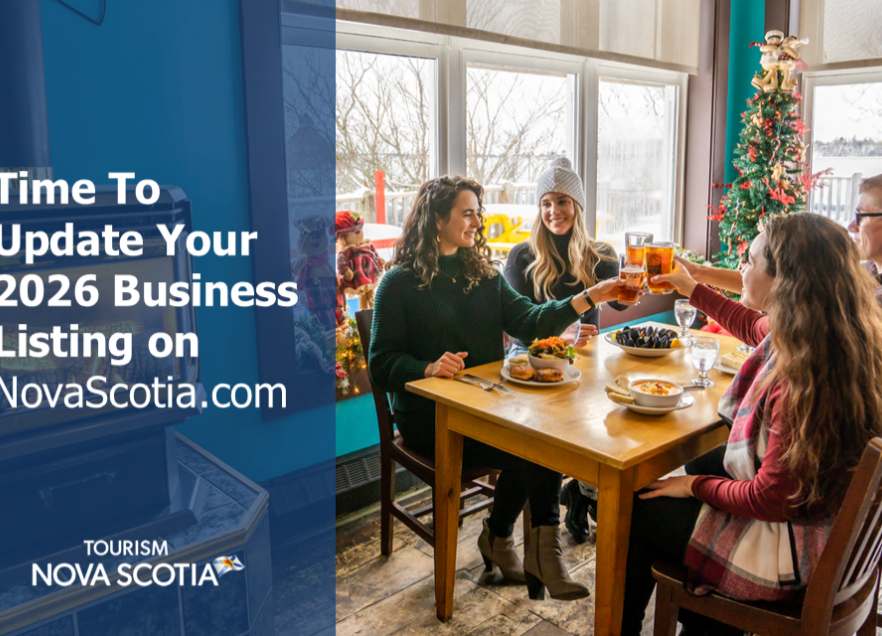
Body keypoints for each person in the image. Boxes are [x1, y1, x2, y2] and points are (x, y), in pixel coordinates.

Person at [618, 213, 882, 636]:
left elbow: (769, 500)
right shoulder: (830, 336)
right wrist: (690, 286)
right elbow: (750, 324)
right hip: (833, 533)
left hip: (793, 552)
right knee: (707, 461)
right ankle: (706, 624)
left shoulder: (800, 381)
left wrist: (692, 486)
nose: (742, 268)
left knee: (642, 508)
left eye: (751, 261)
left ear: (785, 281)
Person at [369, 175, 627, 601]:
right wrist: (427, 367)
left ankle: (526, 546)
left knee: (544, 441)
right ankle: (507, 540)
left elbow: (531, 320)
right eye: (467, 213)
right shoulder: (397, 284)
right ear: (437, 220)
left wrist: (591, 296)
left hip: (484, 408)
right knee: (533, 450)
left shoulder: (483, 276)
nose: (477, 221)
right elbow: (380, 364)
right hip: (430, 417)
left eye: (478, 213)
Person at [504, 156, 625, 544]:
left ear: (578, 206)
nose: (554, 211)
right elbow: (518, 326)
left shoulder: (602, 255)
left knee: (613, 412)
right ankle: (573, 500)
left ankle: (583, 490)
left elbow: (623, 304)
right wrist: (563, 332)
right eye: (546, 203)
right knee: (550, 423)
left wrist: (634, 281)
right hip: (531, 359)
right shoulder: (522, 257)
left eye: (562, 201)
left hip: (587, 359)